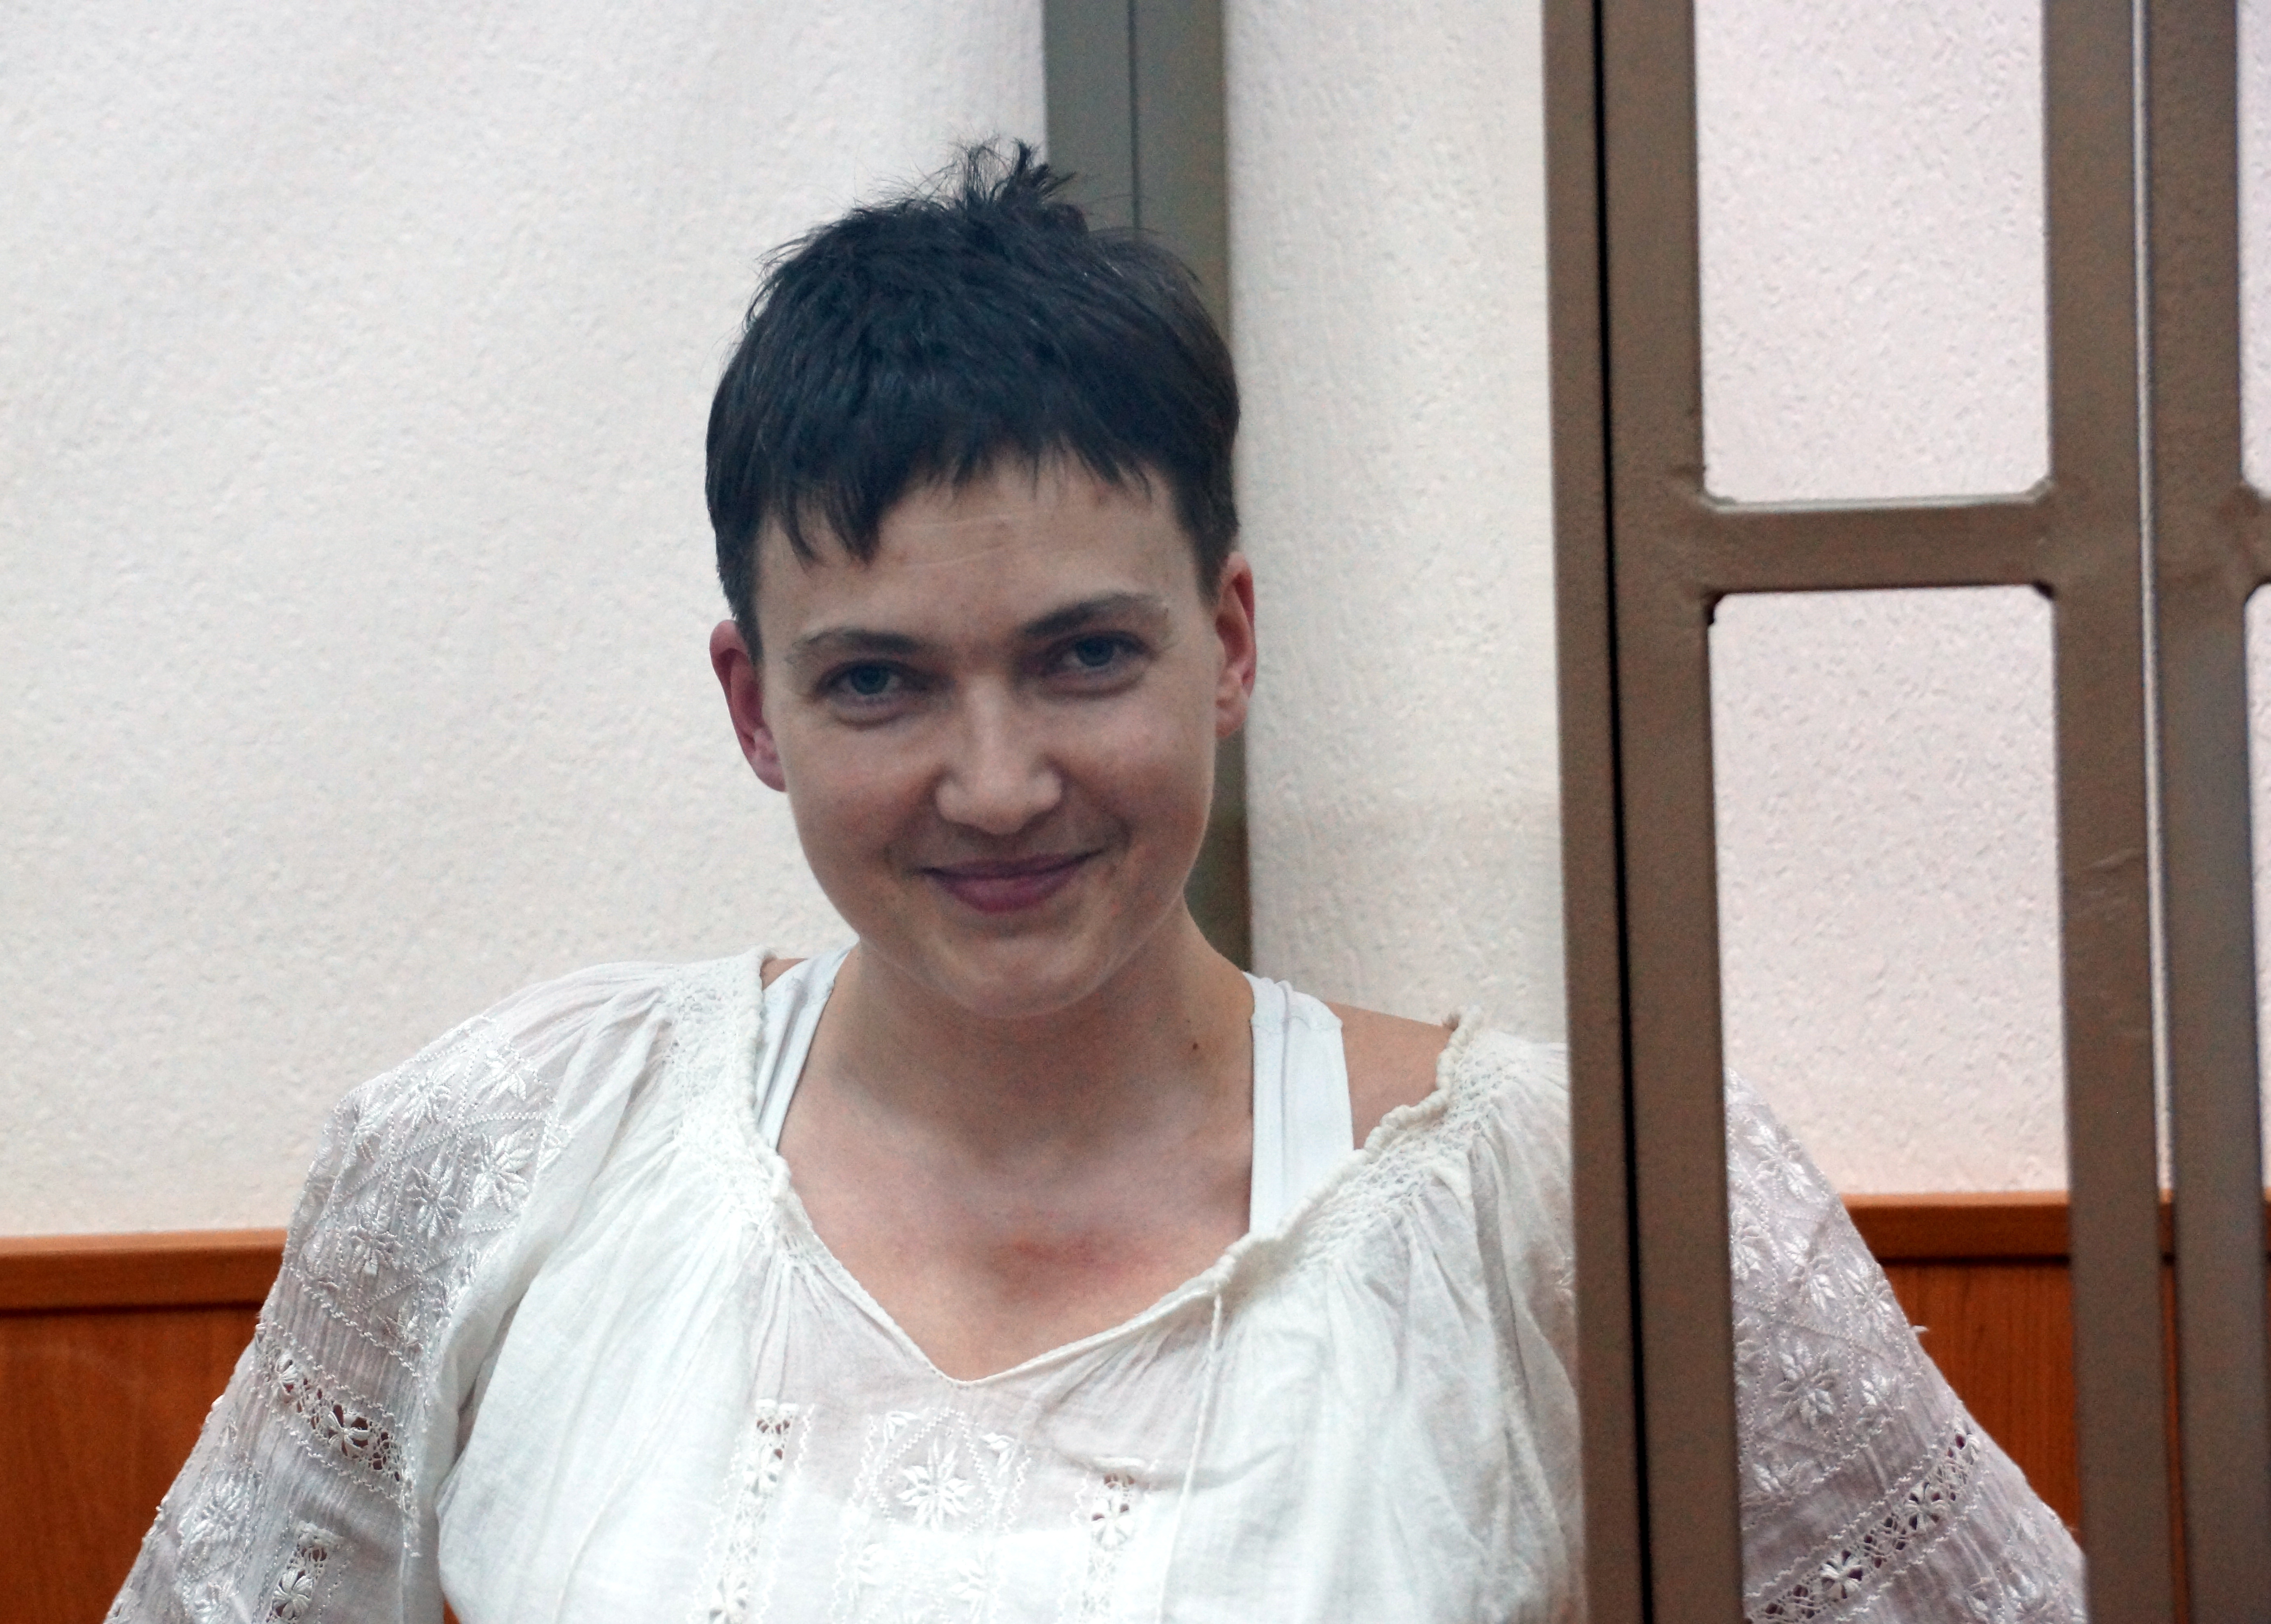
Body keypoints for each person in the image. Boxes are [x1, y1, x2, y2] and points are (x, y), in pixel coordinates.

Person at [108, 145, 2082, 1623]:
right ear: (754, 703)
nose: (997, 785)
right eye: (878, 681)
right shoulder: (511, 1148)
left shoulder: (1580, 1208)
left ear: (1229, 642)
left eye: (1083, 656)